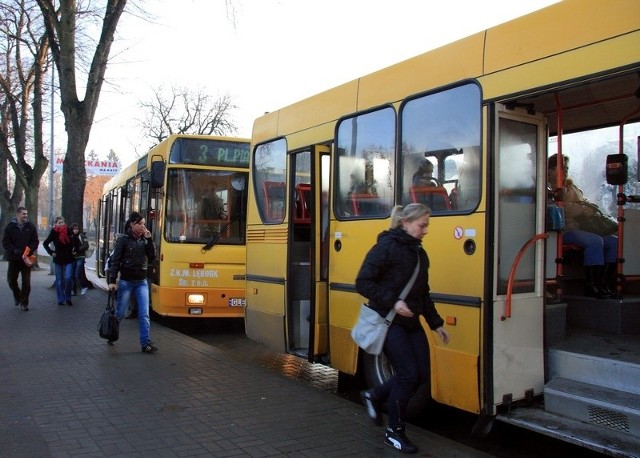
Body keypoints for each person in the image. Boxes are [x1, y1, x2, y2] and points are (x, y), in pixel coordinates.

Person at [355, 203, 450, 454]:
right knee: (407, 374)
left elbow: (423, 293)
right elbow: (363, 282)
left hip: (411, 322)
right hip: (388, 321)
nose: (425, 230)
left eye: (426, 225)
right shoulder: (386, 247)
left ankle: (374, 395)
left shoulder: (419, 254)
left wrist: (436, 324)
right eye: (422, 225)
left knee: (420, 375)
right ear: (406, 223)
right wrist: (394, 302)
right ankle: (394, 432)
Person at [547, 154, 618, 298]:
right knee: (595, 241)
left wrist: (590, 209)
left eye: (566, 168)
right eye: (561, 168)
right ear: (550, 170)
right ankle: (591, 285)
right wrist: (582, 210)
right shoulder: (549, 189)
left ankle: (604, 282)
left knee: (614, 241)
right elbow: (558, 207)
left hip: (582, 227)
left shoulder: (572, 187)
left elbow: (584, 202)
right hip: (565, 229)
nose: (565, 171)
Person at [107, 211, 158, 353]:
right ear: (132, 224)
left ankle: (145, 343)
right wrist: (112, 280)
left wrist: (149, 240)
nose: (143, 226)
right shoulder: (123, 239)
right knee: (120, 312)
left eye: (144, 224)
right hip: (126, 281)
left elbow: (152, 257)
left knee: (144, 314)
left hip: (141, 281)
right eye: (140, 224)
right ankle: (111, 333)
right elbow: (115, 260)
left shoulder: (144, 240)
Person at [2, 207, 39, 311]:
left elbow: (35, 241)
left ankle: (24, 303)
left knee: (26, 282)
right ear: (18, 214)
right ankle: (17, 295)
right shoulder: (10, 227)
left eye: (26, 214)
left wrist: (30, 249)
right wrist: (14, 250)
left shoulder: (30, 227)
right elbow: (5, 242)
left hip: (26, 259)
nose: (25, 216)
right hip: (14, 259)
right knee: (11, 280)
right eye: (23, 214)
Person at [43, 216, 75, 306]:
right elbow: (45, 243)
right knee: (59, 280)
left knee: (68, 278)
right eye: (59, 223)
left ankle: (68, 297)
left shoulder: (68, 230)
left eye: (62, 222)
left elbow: (73, 241)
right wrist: (51, 252)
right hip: (58, 258)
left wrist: (73, 249)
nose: (61, 224)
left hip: (68, 257)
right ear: (56, 224)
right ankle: (60, 299)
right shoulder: (54, 232)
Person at [70, 223, 90, 295]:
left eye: (77, 229)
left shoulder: (82, 236)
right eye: (74, 229)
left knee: (77, 274)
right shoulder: (70, 236)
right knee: (72, 274)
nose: (75, 230)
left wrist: (77, 250)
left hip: (80, 257)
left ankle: (84, 286)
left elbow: (86, 245)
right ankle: (73, 290)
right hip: (73, 258)